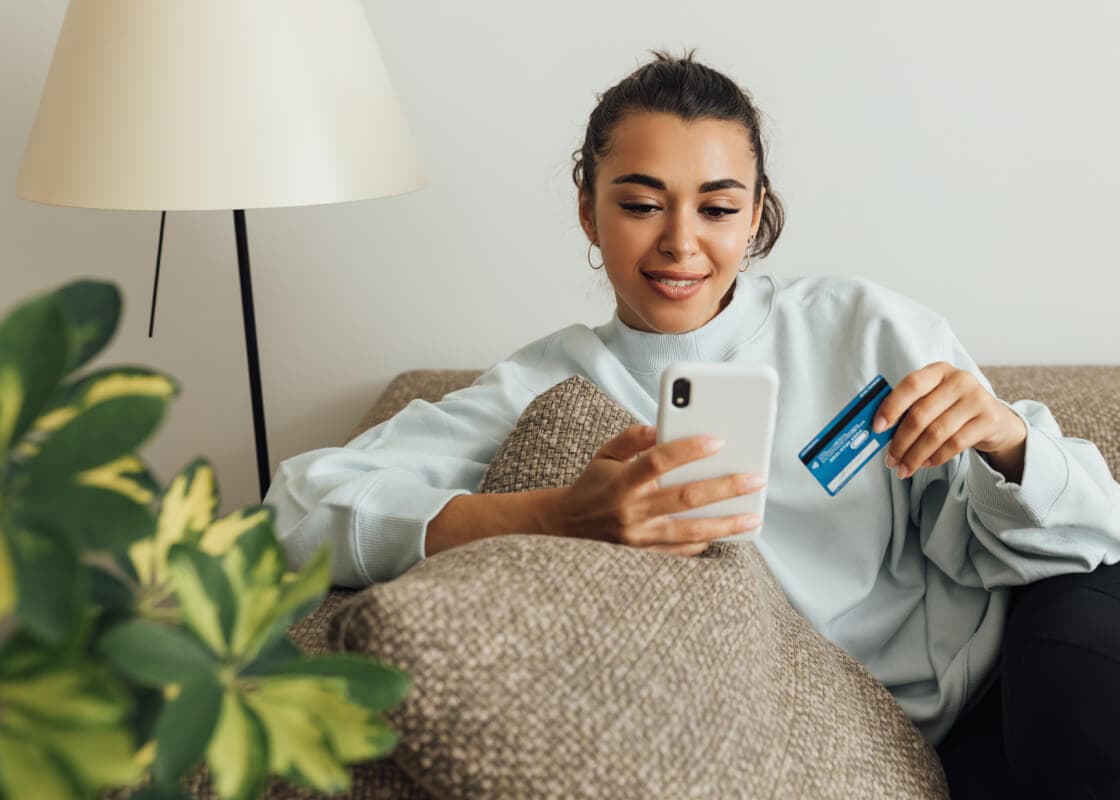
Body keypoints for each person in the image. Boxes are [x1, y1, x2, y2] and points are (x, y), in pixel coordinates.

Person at [264, 49, 1120, 798]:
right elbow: (292, 511)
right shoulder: (541, 385)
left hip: (1018, 649)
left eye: (716, 208)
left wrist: (1007, 441)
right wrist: (555, 517)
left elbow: (1097, 526)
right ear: (587, 210)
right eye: (642, 204)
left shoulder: (863, 325)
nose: (680, 243)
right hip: (869, 738)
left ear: (756, 215)